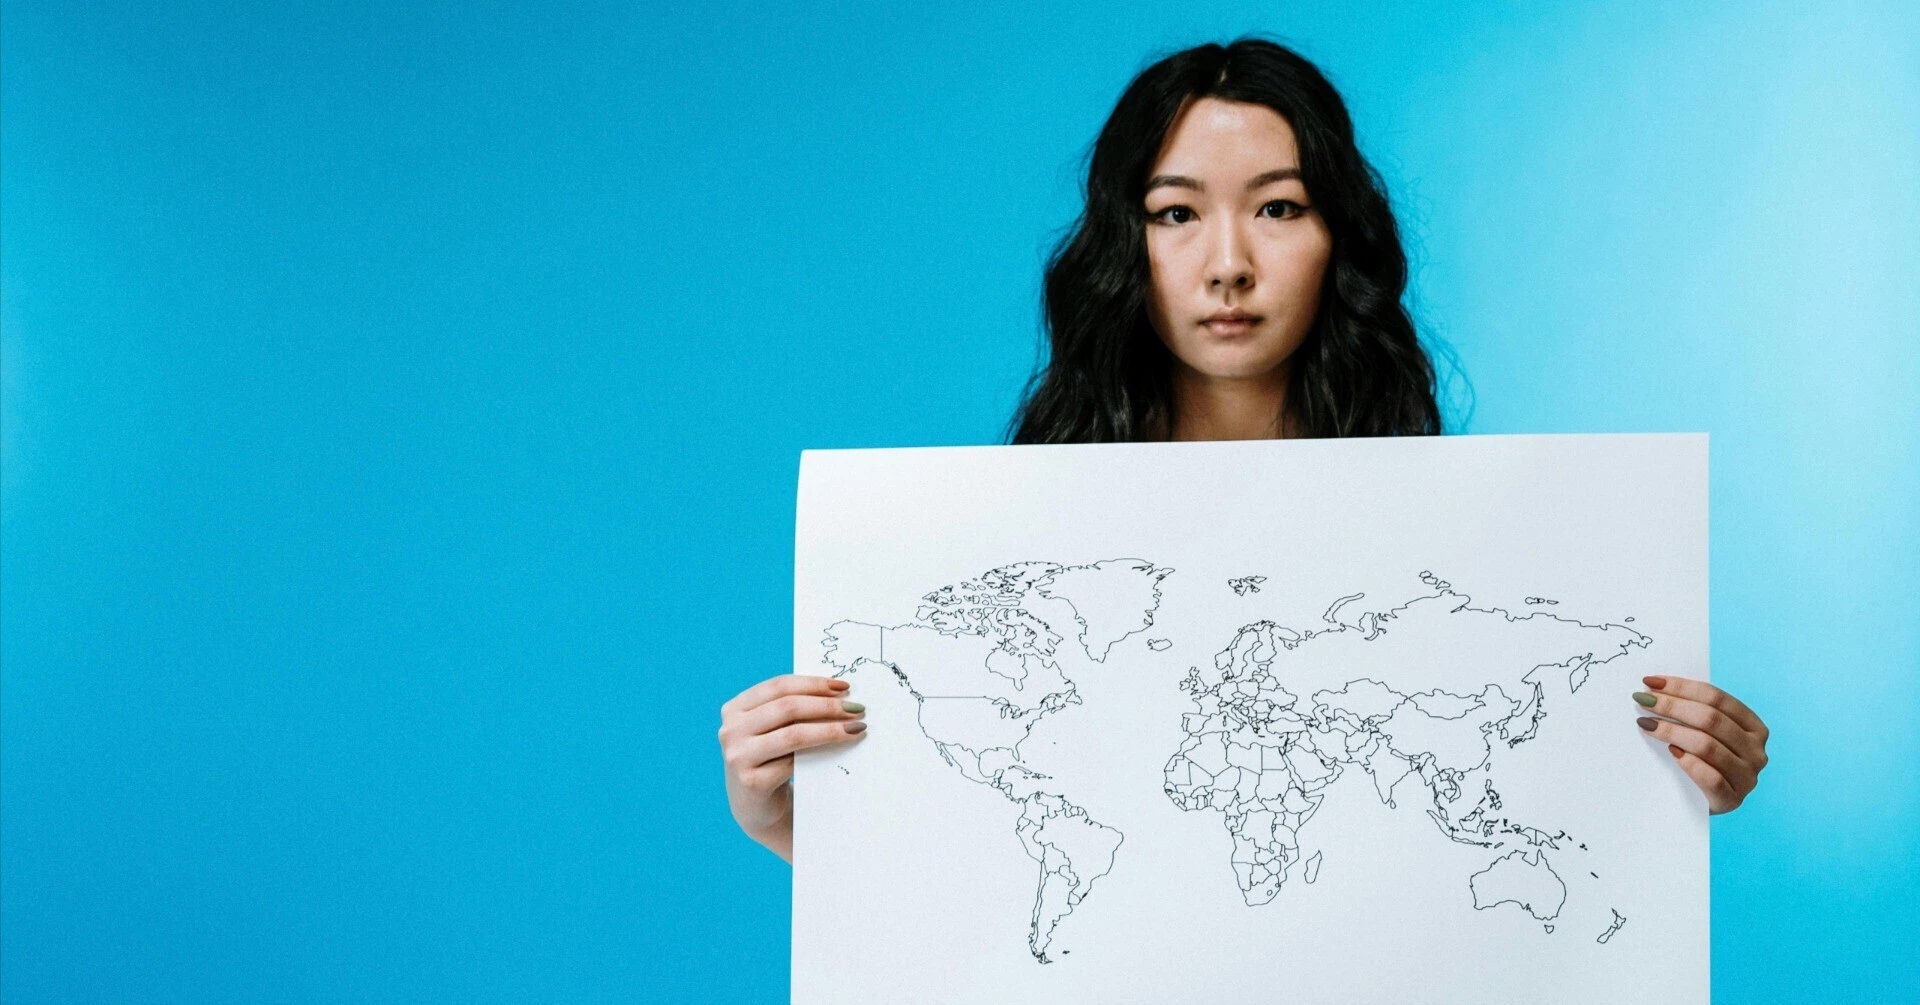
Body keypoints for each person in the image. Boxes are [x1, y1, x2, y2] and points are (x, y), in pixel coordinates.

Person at [717, 38, 1771, 864]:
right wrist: (793, 823)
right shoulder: (1014, 560)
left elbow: (1476, 869)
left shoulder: (1458, 565)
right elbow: (1008, 868)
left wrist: (1675, 784)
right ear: (1123, 248)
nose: (1229, 264)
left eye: (1278, 207)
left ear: (1337, 240)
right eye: (1175, 213)